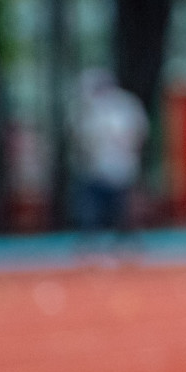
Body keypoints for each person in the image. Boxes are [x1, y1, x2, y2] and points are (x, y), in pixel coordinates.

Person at [72, 67, 149, 242]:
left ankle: (124, 241)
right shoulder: (91, 108)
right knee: (94, 207)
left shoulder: (123, 105)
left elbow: (136, 135)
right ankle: (93, 241)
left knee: (122, 207)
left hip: (118, 165)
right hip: (98, 167)